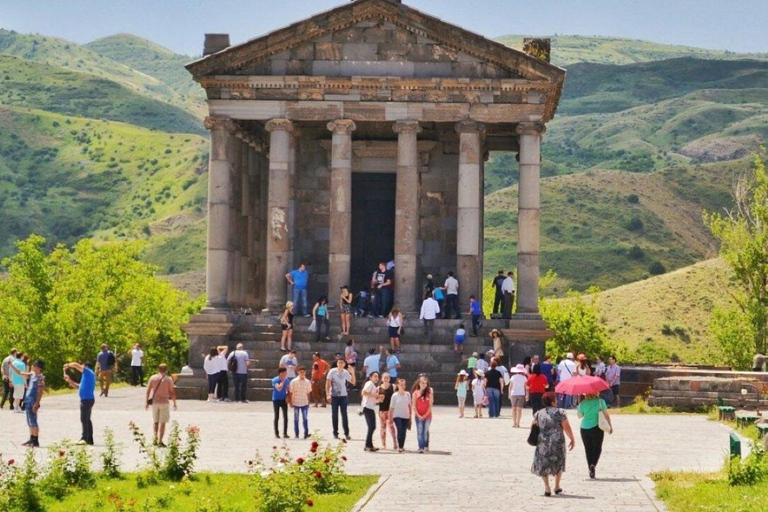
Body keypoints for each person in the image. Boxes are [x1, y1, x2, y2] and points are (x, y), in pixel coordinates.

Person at [531, 392, 576, 497]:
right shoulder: (560, 412)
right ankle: (557, 486)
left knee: (543, 463)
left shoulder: (538, 413)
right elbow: (566, 427)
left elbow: (533, 425)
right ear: (552, 402)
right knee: (559, 462)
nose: (557, 401)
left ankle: (547, 487)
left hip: (542, 442)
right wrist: (572, 438)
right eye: (555, 399)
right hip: (558, 441)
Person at [577, 393, 613, 479]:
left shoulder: (583, 403)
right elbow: (606, 415)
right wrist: (610, 425)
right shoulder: (601, 401)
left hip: (584, 428)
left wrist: (579, 406)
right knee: (597, 448)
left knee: (588, 449)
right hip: (597, 427)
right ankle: (593, 464)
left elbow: (579, 416)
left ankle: (590, 467)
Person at [10, 359, 45, 447]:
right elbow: (19, 373)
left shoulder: (40, 377)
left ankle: (35, 440)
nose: (33, 367)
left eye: (34, 365)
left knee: (33, 421)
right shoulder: (32, 375)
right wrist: (12, 365)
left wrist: (37, 403)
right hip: (28, 400)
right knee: (29, 421)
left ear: (38, 367)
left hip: (33, 401)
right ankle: (31, 438)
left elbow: (40, 392)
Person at [62, 361, 96, 445]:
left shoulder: (88, 372)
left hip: (86, 399)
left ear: (85, 366)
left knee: (84, 419)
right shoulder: (86, 376)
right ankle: (89, 439)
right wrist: (69, 380)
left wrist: (68, 365)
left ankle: (84, 438)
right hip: (86, 399)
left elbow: (76, 365)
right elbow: (77, 386)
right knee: (87, 419)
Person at [145, 363, 177, 446]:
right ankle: (160, 440)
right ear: (166, 370)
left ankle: (155, 438)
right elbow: (172, 392)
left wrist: (146, 402)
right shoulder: (168, 379)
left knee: (155, 421)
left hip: (155, 402)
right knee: (162, 423)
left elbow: (148, 390)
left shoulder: (153, 378)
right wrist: (174, 403)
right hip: (164, 402)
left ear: (158, 369)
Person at [326, 357, 356, 440]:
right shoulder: (332, 371)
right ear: (337, 363)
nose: (340, 364)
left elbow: (353, 382)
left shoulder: (345, 372)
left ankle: (346, 433)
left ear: (344, 364)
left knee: (344, 415)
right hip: (334, 395)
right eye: (339, 362)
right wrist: (328, 394)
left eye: (342, 363)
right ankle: (335, 433)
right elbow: (328, 383)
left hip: (343, 395)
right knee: (334, 415)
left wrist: (352, 373)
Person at [288, 366, 312, 439]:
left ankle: (306, 433)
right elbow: (290, 392)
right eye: (300, 372)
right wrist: (290, 402)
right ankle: (296, 433)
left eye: (303, 372)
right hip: (296, 402)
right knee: (296, 419)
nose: (302, 373)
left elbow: (308, 392)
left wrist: (308, 401)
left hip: (304, 402)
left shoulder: (307, 382)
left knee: (305, 418)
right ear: (298, 372)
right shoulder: (293, 381)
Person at [412, 374, 434, 453]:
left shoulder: (429, 393)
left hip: (427, 416)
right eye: (422, 382)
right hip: (418, 416)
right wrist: (418, 415)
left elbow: (430, 406)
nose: (423, 384)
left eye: (425, 383)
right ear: (419, 383)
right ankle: (420, 447)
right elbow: (414, 406)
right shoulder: (415, 393)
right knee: (420, 431)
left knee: (425, 431)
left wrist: (424, 415)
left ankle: (425, 445)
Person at [361, 371, 382, 451]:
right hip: (367, 407)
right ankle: (367, 445)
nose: (376, 378)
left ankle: (369, 445)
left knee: (371, 427)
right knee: (372, 427)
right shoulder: (369, 383)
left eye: (377, 377)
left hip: (370, 407)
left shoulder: (373, 385)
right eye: (375, 376)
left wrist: (378, 398)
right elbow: (364, 393)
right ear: (370, 377)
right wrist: (376, 395)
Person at [390, 378, 411, 453]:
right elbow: (391, 407)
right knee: (400, 429)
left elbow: (409, 406)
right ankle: (400, 447)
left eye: (404, 385)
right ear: (398, 385)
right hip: (397, 415)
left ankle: (402, 445)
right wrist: (390, 418)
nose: (402, 386)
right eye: (401, 385)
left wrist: (410, 417)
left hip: (405, 416)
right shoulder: (394, 395)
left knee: (404, 431)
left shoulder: (408, 394)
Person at [378, 373, 397, 450]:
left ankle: (395, 443)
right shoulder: (378, 388)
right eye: (384, 377)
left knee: (391, 427)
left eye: (387, 377)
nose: (386, 379)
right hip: (382, 410)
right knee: (383, 427)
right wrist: (379, 398)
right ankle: (383, 444)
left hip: (390, 410)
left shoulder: (393, 387)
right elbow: (376, 399)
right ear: (382, 379)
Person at [272, 367, 291, 439]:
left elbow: (288, 389)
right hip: (276, 399)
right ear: (280, 373)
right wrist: (283, 381)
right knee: (277, 416)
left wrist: (288, 397)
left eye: (286, 373)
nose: (285, 375)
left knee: (285, 416)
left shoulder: (287, 380)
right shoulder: (275, 380)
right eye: (284, 373)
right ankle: (276, 433)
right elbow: (279, 388)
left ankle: (285, 433)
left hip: (283, 399)